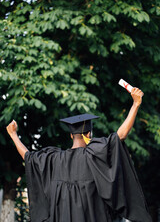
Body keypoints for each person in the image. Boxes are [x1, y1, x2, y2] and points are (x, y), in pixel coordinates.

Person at [6, 87, 152, 222]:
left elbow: (28, 156)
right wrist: (135, 104)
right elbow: (120, 135)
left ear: (71, 135)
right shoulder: (94, 155)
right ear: (88, 134)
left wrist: (13, 135)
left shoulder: (54, 159)